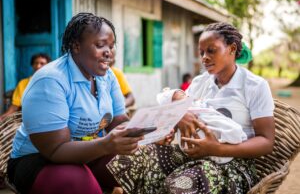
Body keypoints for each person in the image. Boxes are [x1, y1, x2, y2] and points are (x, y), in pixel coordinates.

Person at [107, 22, 275, 194]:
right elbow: (184, 114)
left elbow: (266, 141)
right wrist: (173, 124)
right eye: (201, 52)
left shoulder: (255, 86)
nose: (204, 57)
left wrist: (217, 149)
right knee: (129, 160)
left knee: (184, 184)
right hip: (191, 154)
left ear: (232, 49)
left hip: (233, 163)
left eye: (211, 50)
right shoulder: (200, 83)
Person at [7, 13, 143, 194]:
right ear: (76, 46)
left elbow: (118, 120)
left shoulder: (107, 76)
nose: (108, 52)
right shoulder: (51, 80)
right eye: (100, 45)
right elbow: (55, 150)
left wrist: (142, 132)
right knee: (77, 182)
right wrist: (105, 145)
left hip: (90, 151)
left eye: (111, 46)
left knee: (139, 163)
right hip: (37, 159)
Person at [157, 88, 247, 164]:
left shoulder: (252, 86)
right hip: (191, 151)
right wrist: (176, 121)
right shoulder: (198, 82)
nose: (185, 96)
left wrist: (217, 149)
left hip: (231, 155)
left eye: (184, 95)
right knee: (146, 152)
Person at [0, 53, 51, 121]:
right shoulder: (23, 83)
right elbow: (15, 105)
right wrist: (5, 116)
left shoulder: (52, 83)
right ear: (32, 65)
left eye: (42, 63)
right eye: (36, 63)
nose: (38, 66)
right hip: (27, 118)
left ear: (48, 66)